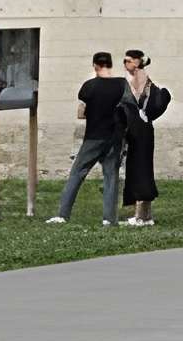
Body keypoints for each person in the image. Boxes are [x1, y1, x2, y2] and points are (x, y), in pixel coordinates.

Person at [51, 50, 131, 224]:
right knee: (111, 176)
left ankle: (63, 214)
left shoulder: (89, 86)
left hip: (94, 136)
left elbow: (81, 112)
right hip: (114, 137)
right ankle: (109, 219)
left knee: (77, 173)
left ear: (95, 65)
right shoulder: (122, 84)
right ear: (110, 65)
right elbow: (129, 108)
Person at [118, 49, 171, 226]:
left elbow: (137, 101)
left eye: (128, 61)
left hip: (140, 128)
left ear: (137, 62)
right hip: (143, 128)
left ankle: (141, 216)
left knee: (139, 169)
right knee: (141, 167)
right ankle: (145, 216)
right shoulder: (142, 77)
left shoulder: (139, 76)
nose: (125, 64)